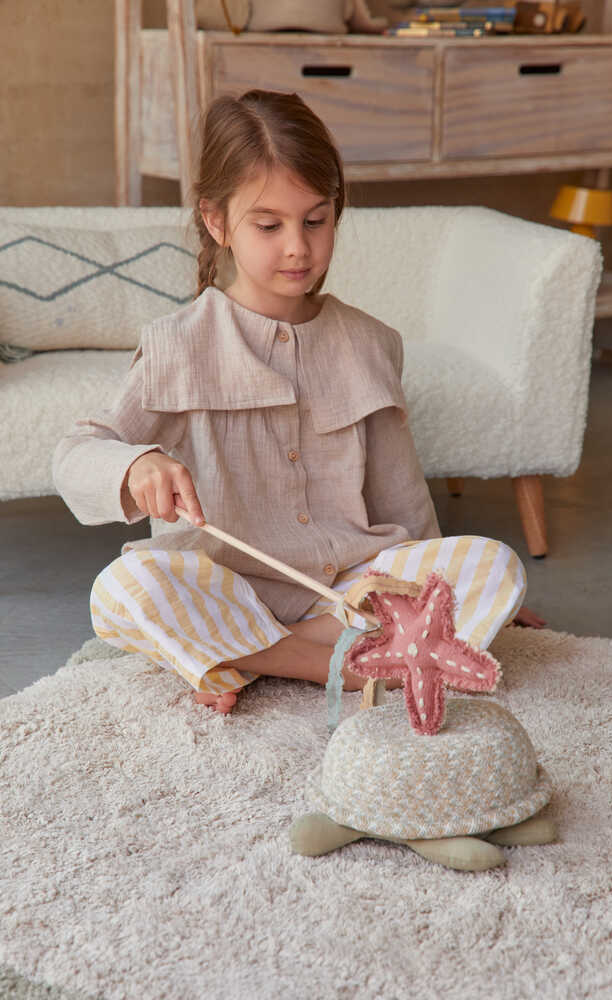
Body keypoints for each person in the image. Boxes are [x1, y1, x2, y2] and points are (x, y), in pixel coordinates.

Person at [53, 90, 543, 717]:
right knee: (121, 590)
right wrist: (135, 464)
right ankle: (331, 661)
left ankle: (245, 658)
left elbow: (403, 501)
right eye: (269, 225)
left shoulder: (370, 343)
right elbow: (75, 453)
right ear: (215, 221)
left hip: (350, 590)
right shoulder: (177, 345)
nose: (298, 248)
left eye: (316, 220)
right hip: (228, 589)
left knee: (497, 564)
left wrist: (444, 594)